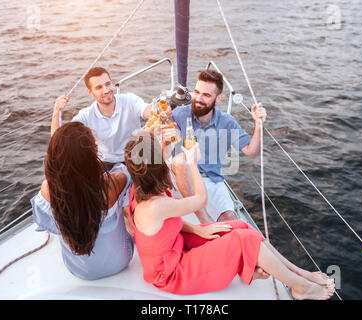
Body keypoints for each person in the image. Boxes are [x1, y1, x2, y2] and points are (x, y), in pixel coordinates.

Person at [124, 131, 335, 299]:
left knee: (239, 226)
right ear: (156, 167)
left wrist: (198, 228)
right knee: (243, 239)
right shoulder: (154, 206)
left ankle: (300, 274)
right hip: (172, 273)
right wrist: (192, 164)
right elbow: (200, 200)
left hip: (176, 246)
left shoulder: (142, 186)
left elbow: (167, 225)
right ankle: (300, 287)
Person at [30, 121, 134, 280]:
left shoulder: (48, 190)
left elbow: (47, 223)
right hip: (121, 261)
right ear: (91, 155)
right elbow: (129, 171)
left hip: (79, 271)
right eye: (95, 146)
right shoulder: (111, 184)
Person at [171, 69, 266, 223]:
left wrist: (258, 124)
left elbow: (251, 152)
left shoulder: (227, 122)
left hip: (211, 179)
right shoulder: (179, 114)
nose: (199, 99)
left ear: (218, 98)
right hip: (182, 177)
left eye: (206, 95)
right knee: (181, 161)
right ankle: (205, 220)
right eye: (197, 92)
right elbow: (163, 146)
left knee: (231, 221)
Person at [51, 67, 171, 170]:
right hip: (106, 164)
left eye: (108, 84)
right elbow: (58, 141)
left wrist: (161, 111)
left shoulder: (129, 100)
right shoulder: (86, 116)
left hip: (136, 157)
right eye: (99, 87)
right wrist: (56, 111)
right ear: (90, 92)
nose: (106, 90)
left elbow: (148, 111)